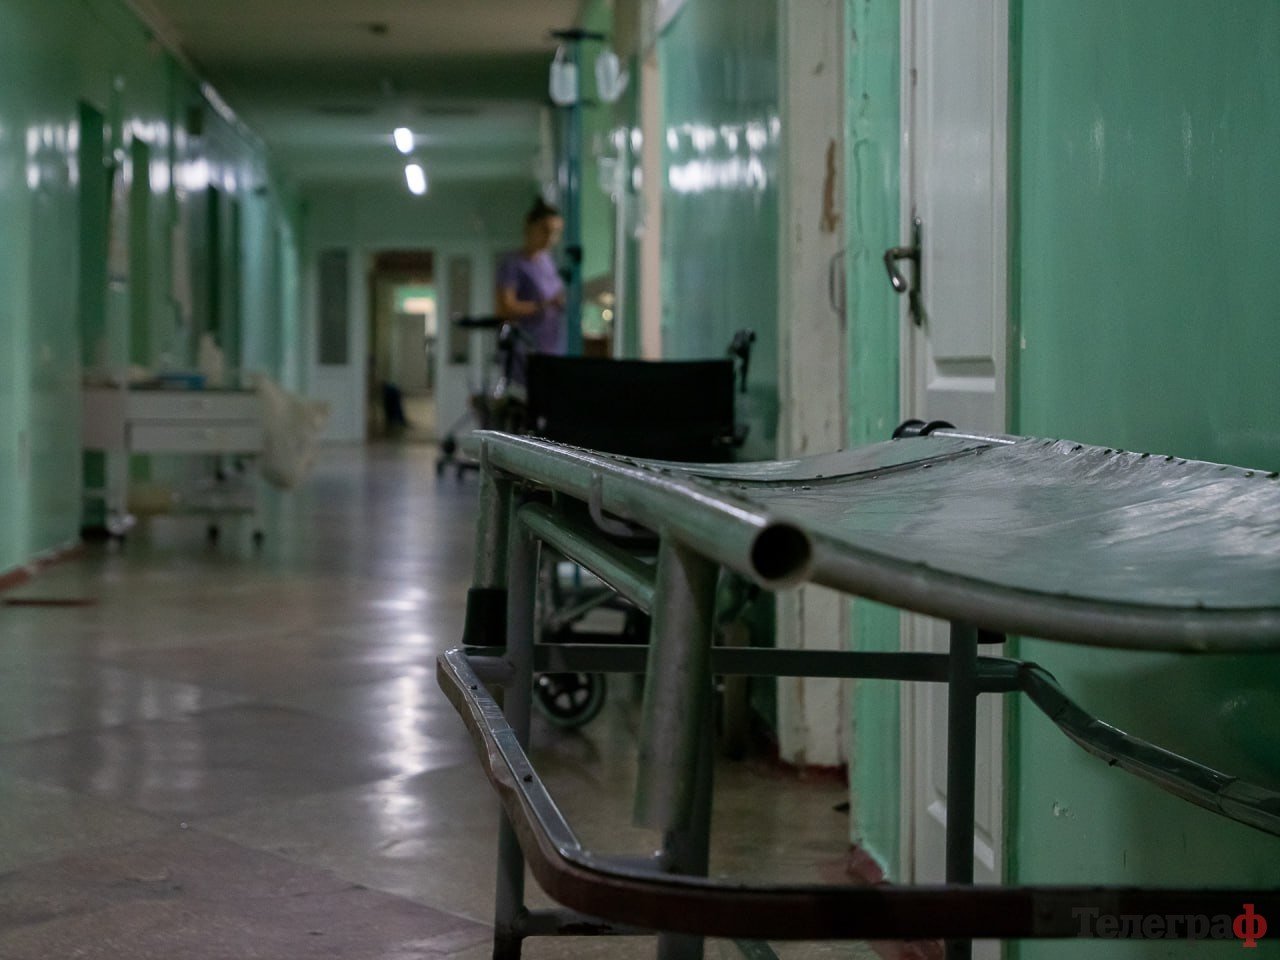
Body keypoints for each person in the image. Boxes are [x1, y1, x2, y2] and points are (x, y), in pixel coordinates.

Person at [494, 197, 567, 394]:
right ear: (530, 227)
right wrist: (543, 306)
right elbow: (505, 308)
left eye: (556, 233)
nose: (550, 238)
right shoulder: (513, 264)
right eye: (545, 230)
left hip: (551, 348)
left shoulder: (548, 263)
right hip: (525, 352)